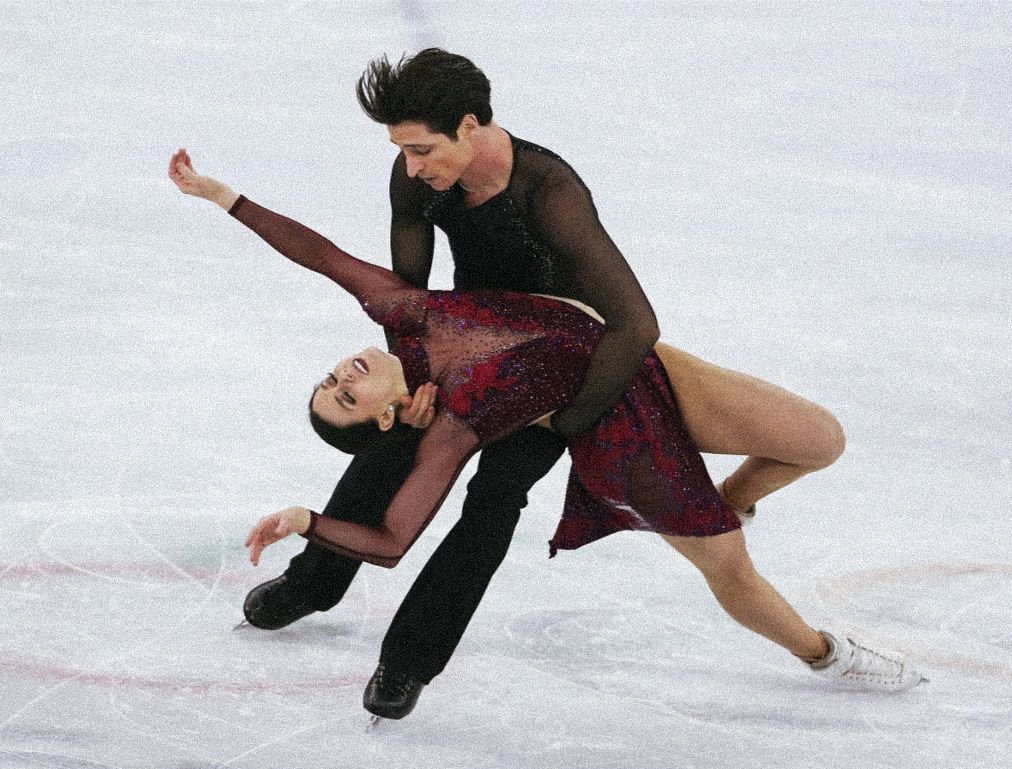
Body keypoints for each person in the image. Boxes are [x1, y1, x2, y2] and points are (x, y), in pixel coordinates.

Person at [168, 150, 925, 709]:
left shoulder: (442, 272)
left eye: (331, 378)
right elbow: (396, 534)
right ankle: (829, 657)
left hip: (620, 366)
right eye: (343, 392)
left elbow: (323, 256)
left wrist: (221, 194)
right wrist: (305, 519)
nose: (340, 372)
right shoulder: (444, 410)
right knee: (414, 483)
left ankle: (731, 501)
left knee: (818, 439)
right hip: (582, 418)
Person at [243, 48, 666, 720]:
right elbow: (409, 292)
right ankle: (313, 582)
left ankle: (408, 658)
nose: (411, 164)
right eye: (402, 149)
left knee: (494, 498)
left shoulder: (551, 193)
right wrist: (408, 378)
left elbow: (636, 324)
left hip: (555, 375)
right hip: (463, 343)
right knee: (387, 441)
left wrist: (565, 420)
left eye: (421, 147)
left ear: (468, 126)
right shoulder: (420, 174)